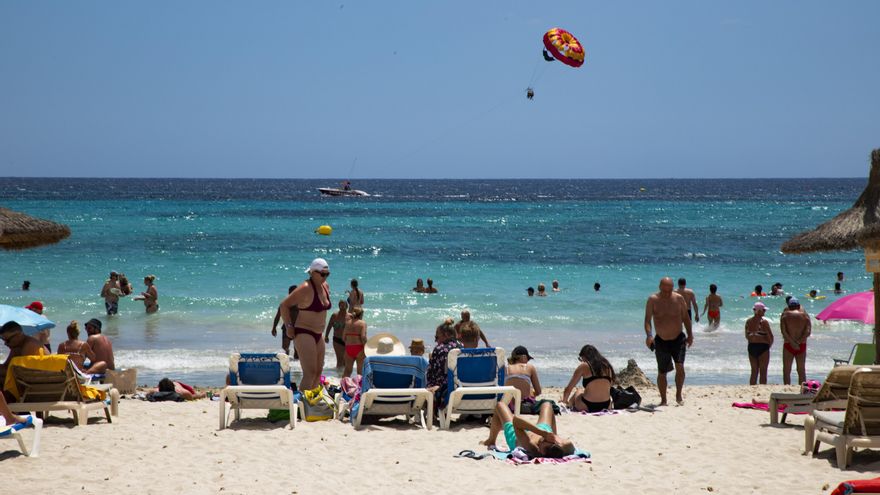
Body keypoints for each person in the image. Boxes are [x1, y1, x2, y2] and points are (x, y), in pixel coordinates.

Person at [279, 258, 331, 391]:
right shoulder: (305, 288)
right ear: (312, 272)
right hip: (304, 332)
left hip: (318, 334)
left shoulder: (325, 286)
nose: (325, 277)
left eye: (327, 274)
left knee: (318, 373)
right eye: (322, 274)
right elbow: (284, 305)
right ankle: (302, 402)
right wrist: (289, 327)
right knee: (310, 373)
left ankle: (310, 401)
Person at [644, 277, 693, 406]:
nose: (667, 293)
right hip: (661, 340)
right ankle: (663, 400)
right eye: (664, 290)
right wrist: (649, 336)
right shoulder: (653, 300)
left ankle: (678, 395)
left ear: (672, 288)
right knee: (662, 372)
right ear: (660, 287)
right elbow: (647, 320)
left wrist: (690, 335)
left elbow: (686, 318)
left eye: (669, 290)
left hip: (678, 339)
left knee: (680, 366)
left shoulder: (679, 299)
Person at [480, 401, 575, 459]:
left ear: (542, 452)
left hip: (517, 435)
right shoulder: (555, 445)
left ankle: (491, 440)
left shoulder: (532, 447)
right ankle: (550, 434)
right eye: (551, 442)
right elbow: (571, 445)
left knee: (500, 405)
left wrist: (542, 433)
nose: (545, 439)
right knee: (547, 405)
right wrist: (555, 438)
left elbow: (516, 421)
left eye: (544, 442)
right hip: (542, 429)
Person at [561, 344, 614, 412]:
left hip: (587, 405)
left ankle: (567, 404)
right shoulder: (607, 366)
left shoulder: (584, 366)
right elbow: (609, 386)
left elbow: (569, 388)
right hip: (606, 405)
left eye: (581, 358)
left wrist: (564, 400)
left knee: (579, 391)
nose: (582, 361)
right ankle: (568, 404)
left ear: (584, 356)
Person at [426, 318, 462, 408]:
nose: (436, 341)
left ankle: (433, 411)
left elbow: (431, 374)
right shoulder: (462, 347)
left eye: (437, 337)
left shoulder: (439, 349)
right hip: (460, 387)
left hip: (444, 389)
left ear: (446, 335)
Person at [0, 321, 44, 391]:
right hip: (27, 381)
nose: (5, 343)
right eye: (3, 340)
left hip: (37, 385)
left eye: (7, 340)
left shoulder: (30, 346)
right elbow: (6, 366)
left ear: (19, 335)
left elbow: (21, 374)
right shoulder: (17, 346)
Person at [780, 297, 811, 385]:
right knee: (801, 370)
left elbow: (784, 332)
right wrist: (799, 342)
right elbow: (808, 332)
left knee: (786, 370)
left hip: (788, 344)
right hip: (801, 345)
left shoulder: (785, 315)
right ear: (798, 306)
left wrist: (792, 342)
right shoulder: (805, 316)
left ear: (789, 306)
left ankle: (786, 387)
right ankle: (802, 388)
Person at [505, 346, 541, 413]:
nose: (527, 361)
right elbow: (538, 391)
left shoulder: (506, 368)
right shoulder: (530, 367)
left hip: (508, 406)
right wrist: (531, 393)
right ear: (524, 357)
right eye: (528, 359)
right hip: (524, 405)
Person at [744, 302, 774, 385]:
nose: (764, 312)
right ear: (759, 311)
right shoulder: (764, 322)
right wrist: (768, 346)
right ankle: (762, 387)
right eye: (763, 310)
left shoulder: (748, 321)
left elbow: (747, 336)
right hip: (762, 346)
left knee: (754, 371)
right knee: (763, 371)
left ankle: (752, 387)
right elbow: (770, 336)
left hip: (751, 346)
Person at [272, 285, 298, 357]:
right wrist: (274, 328)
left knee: (297, 350)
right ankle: (287, 352)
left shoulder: (300, 303)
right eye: (292, 292)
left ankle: (296, 363)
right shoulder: (285, 303)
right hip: (286, 326)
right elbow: (278, 316)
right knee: (284, 346)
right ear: (289, 293)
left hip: (298, 327)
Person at [342, 307, 367, 377]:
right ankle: (360, 384)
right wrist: (366, 347)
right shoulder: (362, 323)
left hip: (348, 348)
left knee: (347, 371)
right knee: (360, 372)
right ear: (361, 314)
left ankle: (343, 383)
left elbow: (343, 338)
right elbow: (363, 337)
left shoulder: (347, 323)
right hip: (359, 348)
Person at [324, 300, 348, 369]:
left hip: (347, 340)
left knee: (345, 360)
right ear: (339, 306)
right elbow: (329, 326)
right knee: (339, 360)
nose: (342, 306)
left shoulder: (350, 316)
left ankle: (344, 374)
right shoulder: (334, 315)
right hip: (337, 340)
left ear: (347, 306)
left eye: (343, 305)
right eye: (340, 305)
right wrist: (326, 336)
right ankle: (338, 374)